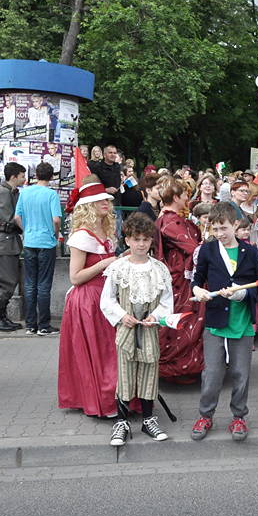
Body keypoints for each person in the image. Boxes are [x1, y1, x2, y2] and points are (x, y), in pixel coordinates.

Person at [190, 202, 258, 441]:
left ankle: (239, 417)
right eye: (215, 229)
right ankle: (205, 415)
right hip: (216, 320)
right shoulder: (207, 250)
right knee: (213, 372)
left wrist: (242, 294)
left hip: (242, 322)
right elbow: (197, 278)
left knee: (240, 372)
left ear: (236, 224)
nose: (219, 234)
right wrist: (198, 289)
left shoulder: (250, 251)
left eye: (223, 228)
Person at [101, 213, 174, 446]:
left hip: (149, 329)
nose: (141, 244)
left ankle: (148, 419)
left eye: (145, 239)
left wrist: (157, 315)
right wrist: (122, 316)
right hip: (126, 329)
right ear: (128, 240)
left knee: (149, 373)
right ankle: (121, 422)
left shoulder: (159, 269)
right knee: (125, 374)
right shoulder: (118, 268)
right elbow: (107, 300)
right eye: (136, 239)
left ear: (151, 241)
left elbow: (167, 300)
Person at [58, 177, 119, 417]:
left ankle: (115, 396)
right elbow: (75, 277)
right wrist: (106, 262)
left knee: (109, 350)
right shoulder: (81, 236)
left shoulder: (106, 230)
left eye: (106, 199)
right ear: (88, 205)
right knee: (100, 351)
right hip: (88, 300)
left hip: (106, 295)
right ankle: (101, 400)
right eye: (99, 200)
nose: (105, 202)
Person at [155, 179, 206, 382]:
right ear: (176, 197)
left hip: (178, 278)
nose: (187, 198)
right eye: (185, 195)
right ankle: (178, 369)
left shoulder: (168, 220)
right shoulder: (172, 222)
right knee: (184, 322)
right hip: (180, 281)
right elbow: (193, 249)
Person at [13, 162, 61, 335]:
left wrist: (26, 230)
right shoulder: (51, 195)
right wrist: (55, 235)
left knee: (30, 283)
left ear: (36, 175)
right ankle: (44, 325)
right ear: (51, 176)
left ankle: (30, 324)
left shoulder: (25, 193)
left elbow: (17, 217)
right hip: (46, 242)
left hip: (30, 241)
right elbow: (56, 220)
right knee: (44, 284)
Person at [0, 162, 26, 332]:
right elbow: (8, 219)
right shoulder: (3, 193)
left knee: (11, 281)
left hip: (9, 243)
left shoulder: (12, 192)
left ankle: (1, 316)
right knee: (6, 283)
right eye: (22, 176)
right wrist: (24, 226)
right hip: (3, 243)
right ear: (13, 176)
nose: (24, 179)